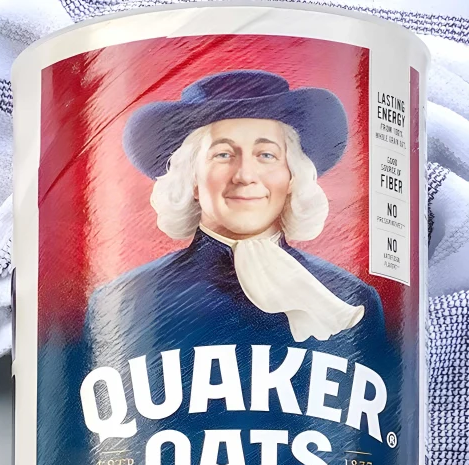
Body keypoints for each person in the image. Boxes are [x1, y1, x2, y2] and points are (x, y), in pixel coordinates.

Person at [88, 68, 385, 353]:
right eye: (223, 154)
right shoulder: (125, 302)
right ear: (191, 179)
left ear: (292, 176)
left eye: (266, 154)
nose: (245, 175)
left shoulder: (350, 299)